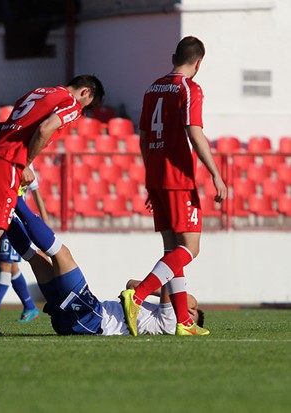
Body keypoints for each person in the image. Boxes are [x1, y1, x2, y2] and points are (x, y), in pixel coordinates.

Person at [0, 74, 105, 337]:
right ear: (85, 92)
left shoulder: (38, 91)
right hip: (6, 165)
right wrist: (25, 164)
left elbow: (8, 125)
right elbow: (46, 128)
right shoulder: (70, 102)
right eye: (87, 107)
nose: (82, 113)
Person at [120, 36, 226, 336]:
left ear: (173, 57)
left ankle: (183, 321)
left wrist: (151, 176)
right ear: (199, 62)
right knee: (190, 249)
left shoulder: (152, 88)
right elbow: (194, 132)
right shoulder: (189, 89)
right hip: (178, 179)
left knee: (172, 249)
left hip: (156, 176)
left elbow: (142, 137)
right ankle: (138, 295)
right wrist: (216, 174)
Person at [6, 197, 205, 336]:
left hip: (92, 317)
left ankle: (15, 198)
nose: (189, 310)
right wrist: (144, 294)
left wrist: (149, 291)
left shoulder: (172, 323)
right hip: (79, 320)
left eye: (192, 315)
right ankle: (6, 214)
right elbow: (131, 284)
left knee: (61, 254)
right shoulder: (157, 314)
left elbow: (189, 299)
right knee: (36, 257)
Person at [0, 165, 47, 323]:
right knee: (12, 266)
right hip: (0, 217)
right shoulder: (3, 162)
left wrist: (45, 221)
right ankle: (29, 306)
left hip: (13, 220)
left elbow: (36, 193)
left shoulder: (25, 165)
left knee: (5, 266)